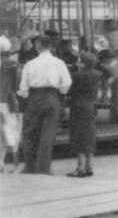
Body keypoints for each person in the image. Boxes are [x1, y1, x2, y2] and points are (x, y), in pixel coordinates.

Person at [16, 34, 72, 174]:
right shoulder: (59, 63)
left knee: (29, 132)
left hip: (34, 97)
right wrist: (60, 92)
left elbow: (23, 87)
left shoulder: (30, 64)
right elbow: (66, 83)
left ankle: (30, 165)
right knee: (48, 133)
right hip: (52, 96)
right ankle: (43, 167)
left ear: (38, 45)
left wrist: (24, 96)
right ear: (51, 46)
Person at [66, 52, 101, 177]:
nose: (77, 62)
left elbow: (70, 91)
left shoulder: (76, 75)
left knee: (78, 135)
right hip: (91, 106)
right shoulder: (97, 75)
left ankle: (80, 168)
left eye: (79, 61)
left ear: (83, 63)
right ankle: (89, 166)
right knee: (89, 135)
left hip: (78, 106)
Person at [1, 36, 22, 171]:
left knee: (0, 133)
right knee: (13, 131)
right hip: (8, 101)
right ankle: (15, 166)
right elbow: (17, 84)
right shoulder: (13, 64)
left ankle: (0, 163)